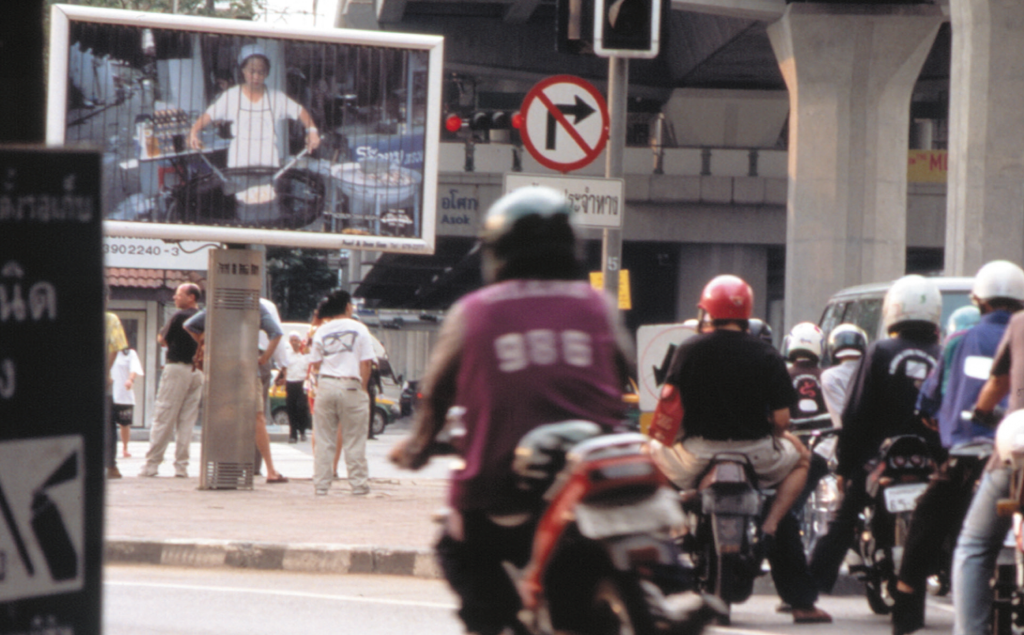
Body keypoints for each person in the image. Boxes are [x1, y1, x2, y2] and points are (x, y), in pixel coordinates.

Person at [389, 186, 634, 635]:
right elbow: (623, 374)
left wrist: (420, 447)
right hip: (595, 488)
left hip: (499, 494)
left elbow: (439, 391)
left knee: (455, 548)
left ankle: (497, 622)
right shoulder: (597, 305)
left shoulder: (473, 312)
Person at [649, 274, 830, 624]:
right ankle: (776, 537)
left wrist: (665, 443)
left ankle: (678, 528)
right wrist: (778, 436)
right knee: (803, 461)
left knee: (645, 458)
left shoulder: (688, 349)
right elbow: (781, 419)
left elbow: (668, 412)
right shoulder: (766, 353)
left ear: (708, 312)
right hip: (756, 453)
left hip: (698, 454)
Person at [892, 260, 1024, 634]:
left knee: (944, 532)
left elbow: (930, 403)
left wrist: (960, 416)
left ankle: (908, 613)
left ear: (979, 301)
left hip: (979, 457)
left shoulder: (958, 342)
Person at [808, 274, 943, 594]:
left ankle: (807, 593)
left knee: (843, 518)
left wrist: (845, 468)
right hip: (934, 460)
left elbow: (855, 413)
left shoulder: (879, 351)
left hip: (879, 459)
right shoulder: (943, 354)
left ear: (892, 309)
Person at [952, 270, 1024, 635]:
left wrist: (981, 412)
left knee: (975, 546)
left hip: (1017, 443)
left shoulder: (1019, 324)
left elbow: (996, 383)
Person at [183, 297, 289, 484]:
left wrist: (206, 342)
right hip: (248, 367)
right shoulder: (256, 305)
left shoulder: (219, 303)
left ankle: (221, 466)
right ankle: (271, 470)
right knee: (257, 417)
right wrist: (265, 357)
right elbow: (276, 333)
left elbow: (189, 325)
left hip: (221, 368)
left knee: (223, 416)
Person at [187, 44, 320, 168]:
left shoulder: (276, 97)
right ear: (243, 71)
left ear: (266, 73)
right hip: (240, 161)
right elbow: (209, 115)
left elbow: (300, 111)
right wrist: (193, 132)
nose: (256, 76)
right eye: (251, 71)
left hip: (268, 161)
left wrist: (312, 131)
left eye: (261, 72)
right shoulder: (232, 96)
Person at [307, 289, 377, 496]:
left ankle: (321, 485)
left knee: (324, 439)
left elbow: (315, 364)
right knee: (354, 439)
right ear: (347, 306)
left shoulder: (322, 330)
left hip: (326, 386)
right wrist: (362, 388)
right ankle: (358, 485)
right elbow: (366, 363)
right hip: (351, 385)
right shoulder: (360, 329)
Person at [140, 283, 204, 478]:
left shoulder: (179, 317)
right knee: (187, 420)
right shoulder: (205, 317)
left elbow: (163, 340)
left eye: (179, 295)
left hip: (177, 368)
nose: (175, 298)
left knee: (164, 415)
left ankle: (152, 465)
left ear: (191, 297)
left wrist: (163, 335)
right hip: (198, 371)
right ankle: (181, 466)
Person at [820, 324, 867, 430]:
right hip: (878, 437)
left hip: (846, 437)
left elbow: (842, 417)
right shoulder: (873, 372)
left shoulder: (829, 375)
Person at [105, 303, 128, 479]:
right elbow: (116, 347)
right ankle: (111, 466)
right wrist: (105, 372)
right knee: (107, 421)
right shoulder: (110, 319)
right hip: (100, 379)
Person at [277, 333, 311, 443]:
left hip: (302, 384)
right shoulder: (287, 354)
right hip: (290, 383)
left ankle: (302, 430)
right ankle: (293, 434)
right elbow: (284, 368)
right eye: (292, 340)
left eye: (296, 340)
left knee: (301, 407)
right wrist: (281, 380)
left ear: (300, 341)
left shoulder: (305, 354)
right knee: (291, 409)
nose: (294, 342)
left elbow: (309, 369)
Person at [110, 347, 144, 458]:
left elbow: (134, 368)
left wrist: (130, 379)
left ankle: (125, 448)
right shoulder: (107, 351)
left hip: (124, 394)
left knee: (124, 424)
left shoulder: (129, 353)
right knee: (108, 424)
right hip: (109, 393)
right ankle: (108, 449)